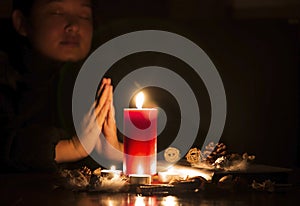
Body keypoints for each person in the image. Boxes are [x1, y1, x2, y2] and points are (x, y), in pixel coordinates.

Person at [0, 0, 123, 172]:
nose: (74, 26)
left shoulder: (104, 83)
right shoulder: (7, 81)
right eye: (57, 13)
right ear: (21, 22)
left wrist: (116, 151)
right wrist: (71, 148)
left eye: (84, 15)